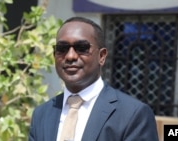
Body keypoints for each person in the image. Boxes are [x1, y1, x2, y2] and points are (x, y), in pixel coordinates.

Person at [28, 16, 159, 141]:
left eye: (81, 48)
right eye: (62, 48)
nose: (70, 56)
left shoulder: (133, 115)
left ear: (101, 56)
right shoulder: (42, 114)